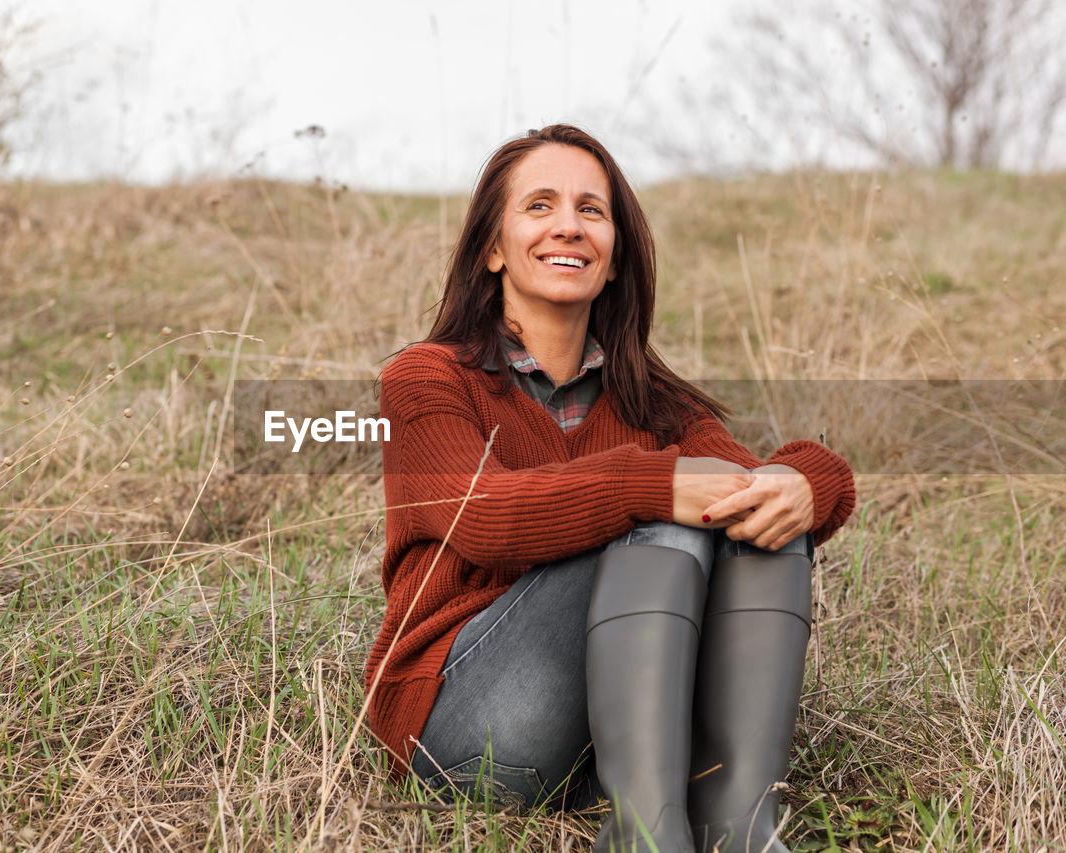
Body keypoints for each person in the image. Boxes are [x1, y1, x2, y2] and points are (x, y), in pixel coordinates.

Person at [363, 125, 855, 853]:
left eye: (592, 210)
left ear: (616, 254)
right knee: (674, 519)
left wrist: (805, 483)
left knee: (755, 517)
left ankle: (738, 823)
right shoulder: (427, 379)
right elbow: (486, 517)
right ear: (494, 249)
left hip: (593, 751)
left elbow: (752, 483)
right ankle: (646, 837)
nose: (569, 224)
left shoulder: (657, 405)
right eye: (539, 205)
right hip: (461, 731)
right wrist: (648, 482)